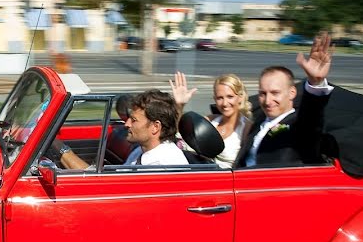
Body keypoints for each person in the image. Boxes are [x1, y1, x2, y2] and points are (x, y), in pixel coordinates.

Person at [235, 31, 334, 168]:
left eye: (275, 93)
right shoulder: (258, 120)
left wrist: (315, 83)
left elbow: (312, 116)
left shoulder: (300, 125)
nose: (268, 101)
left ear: (292, 92)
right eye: (262, 94)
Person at [53, 89, 187, 169]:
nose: (126, 124)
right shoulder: (140, 151)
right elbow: (103, 182)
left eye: (133, 120)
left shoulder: (164, 165)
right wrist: (58, 146)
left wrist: (60, 148)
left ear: (155, 127)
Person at [169, 71, 251, 168]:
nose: (225, 103)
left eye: (230, 97)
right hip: (201, 173)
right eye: (220, 98)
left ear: (240, 98)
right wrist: (179, 105)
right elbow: (178, 134)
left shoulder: (247, 128)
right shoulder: (210, 121)